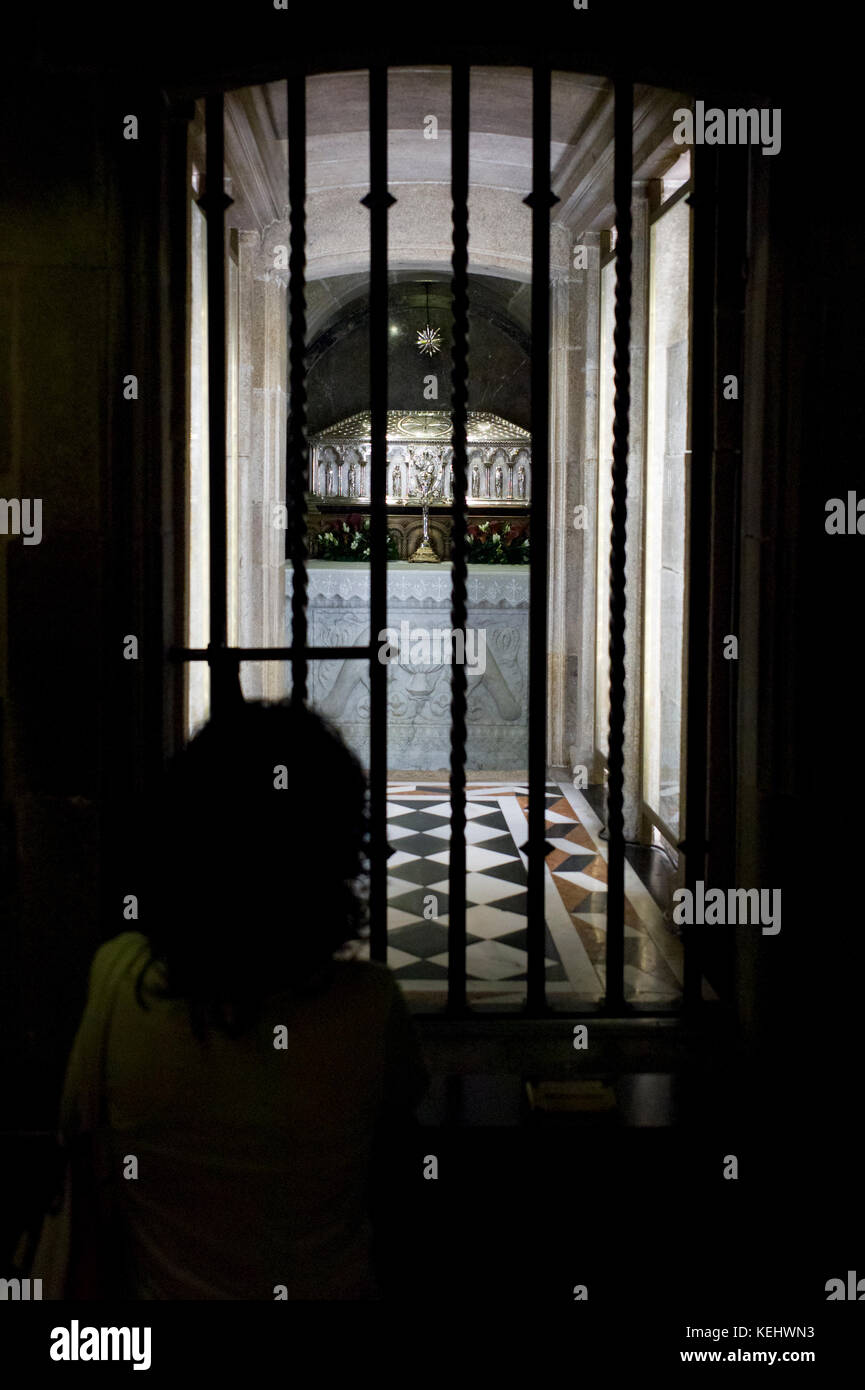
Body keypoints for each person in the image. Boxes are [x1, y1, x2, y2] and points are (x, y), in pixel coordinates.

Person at [54, 700, 429, 1300]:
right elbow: (396, 1150)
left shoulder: (119, 981)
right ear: (331, 855)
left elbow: (80, 1146)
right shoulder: (369, 1005)